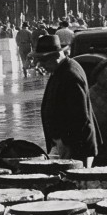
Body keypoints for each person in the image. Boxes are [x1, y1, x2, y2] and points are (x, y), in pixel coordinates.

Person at [35, 33, 99, 166]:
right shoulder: (60, 70)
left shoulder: (70, 75)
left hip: (74, 147)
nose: (41, 65)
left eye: (44, 60)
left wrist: (67, 145)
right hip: (66, 144)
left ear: (57, 56)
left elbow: (81, 118)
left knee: (77, 180)